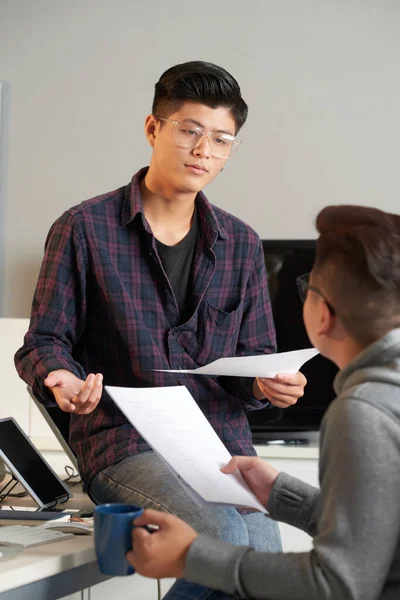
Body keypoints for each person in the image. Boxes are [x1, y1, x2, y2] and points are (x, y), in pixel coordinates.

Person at [15, 61, 306, 597]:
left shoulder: (242, 243)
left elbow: (255, 356)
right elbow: (45, 341)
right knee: (219, 535)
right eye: (190, 131)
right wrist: (61, 379)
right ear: (153, 129)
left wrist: (269, 384)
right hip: (125, 440)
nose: (204, 151)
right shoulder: (84, 228)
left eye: (221, 140)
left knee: (265, 563)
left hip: (220, 442)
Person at [127, 204, 400, 600]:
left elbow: (337, 583)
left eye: (307, 287)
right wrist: (281, 494)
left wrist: (191, 555)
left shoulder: (363, 411)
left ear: (321, 314)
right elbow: (379, 532)